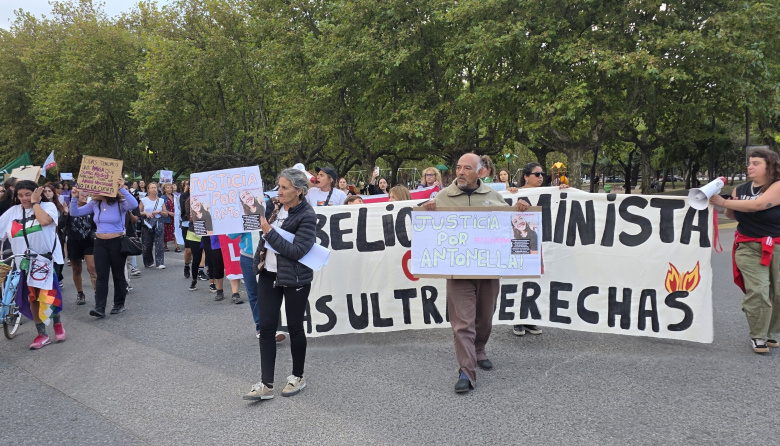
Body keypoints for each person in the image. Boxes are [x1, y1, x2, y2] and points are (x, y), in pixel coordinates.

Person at [421, 153, 529, 393]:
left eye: (467, 168)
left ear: (480, 172)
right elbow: (426, 233)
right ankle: (466, 372)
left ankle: (479, 349)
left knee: (485, 317)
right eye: (458, 167)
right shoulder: (442, 197)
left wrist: (521, 210)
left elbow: (510, 227)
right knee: (462, 323)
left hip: (488, 270)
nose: (460, 172)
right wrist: (427, 213)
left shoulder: (493, 196)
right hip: (457, 273)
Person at [244, 168, 317, 401]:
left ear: (299, 191)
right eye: (278, 186)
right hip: (269, 274)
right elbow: (257, 228)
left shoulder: (307, 214)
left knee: (295, 327)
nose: (279, 191)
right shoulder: (274, 206)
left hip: (295, 278)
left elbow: (297, 251)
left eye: (284, 188)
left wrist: (268, 232)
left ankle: (297, 375)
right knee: (266, 328)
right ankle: (266, 384)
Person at [710, 147, 780, 354]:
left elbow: (759, 205)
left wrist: (723, 203)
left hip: (776, 245)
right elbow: (732, 215)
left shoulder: (777, 186)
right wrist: (726, 203)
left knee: (776, 293)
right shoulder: (740, 189)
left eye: (756, 163)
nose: (750, 167)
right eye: (749, 163)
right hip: (748, 246)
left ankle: (768, 332)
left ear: (770, 165)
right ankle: (758, 335)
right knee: (758, 290)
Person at [0, 180, 66, 349]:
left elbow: (44, 221)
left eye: (27, 194)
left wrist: (36, 203)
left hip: (46, 261)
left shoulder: (48, 207)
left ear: (37, 192)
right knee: (33, 299)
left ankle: (56, 322)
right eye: (20, 195)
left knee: (48, 297)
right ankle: (42, 335)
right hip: (24, 263)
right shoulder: (12, 212)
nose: (24, 199)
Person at [71, 178, 138, 317]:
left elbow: (134, 204)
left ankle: (119, 304)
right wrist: (73, 198)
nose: (92, 193)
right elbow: (74, 213)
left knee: (118, 274)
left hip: (117, 242)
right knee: (101, 275)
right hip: (100, 243)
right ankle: (99, 307)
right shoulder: (95, 203)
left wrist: (121, 188)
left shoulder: (120, 203)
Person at [67, 187, 97, 305]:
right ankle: (80, 293)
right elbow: (63, 222)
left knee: (92, 267)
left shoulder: (91, 207)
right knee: (77, 269)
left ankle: (97, 292)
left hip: (89, 240)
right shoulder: (70, 207)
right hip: (74, 241)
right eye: (82, 194)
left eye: (86, 194)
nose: (84, 196)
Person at [139, 182, 167, 269]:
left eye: (155, 187)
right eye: (152, 188)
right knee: (147, 243)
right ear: (148, 189)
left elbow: (166, 214)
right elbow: (138, 212)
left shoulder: (161, 200)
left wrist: (159, 212)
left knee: (159, 243)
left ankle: (160, 262)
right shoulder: (144, 200)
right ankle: (148, 261)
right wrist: (145, 213)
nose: (154, 189)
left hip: (158, 221)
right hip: (147, 222)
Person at [180, 180, 193, 278]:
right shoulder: (184, 196)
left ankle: (200, 270)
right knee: (188, 250)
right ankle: (186, 265)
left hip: (200, 224)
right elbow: (184, 209)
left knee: (202, 249)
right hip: (187, 224)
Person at [161, 183, 180, 253]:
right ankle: (165, 245)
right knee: (166, 231)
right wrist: (168, 212)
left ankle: (176, 246)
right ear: (165, 189)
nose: (169, 189)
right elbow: (161, 207)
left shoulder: (175, 196)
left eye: (170, 188)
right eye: (168, 188)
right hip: (167, 217)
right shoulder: (162, 198)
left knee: (176, 231)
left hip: (175, 217)